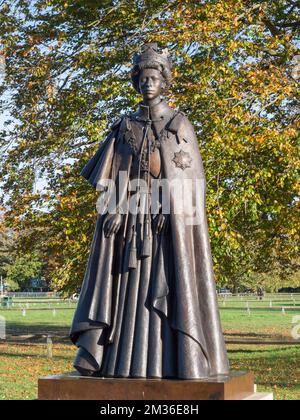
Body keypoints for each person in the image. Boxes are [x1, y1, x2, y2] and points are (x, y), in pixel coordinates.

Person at [70, 43, 229, 379]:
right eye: (142, 78)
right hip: (131, 227)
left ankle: (174, 363)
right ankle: (122, 365)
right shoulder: (125, 127)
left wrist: (171, 211)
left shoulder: (179, 126)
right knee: (128, 294)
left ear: (164, 81)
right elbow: (115, 177)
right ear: (136, 81)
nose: (147, 83)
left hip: (165, 231)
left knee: (165, 290)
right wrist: (115, 210)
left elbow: (189, 181)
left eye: (153, 77)